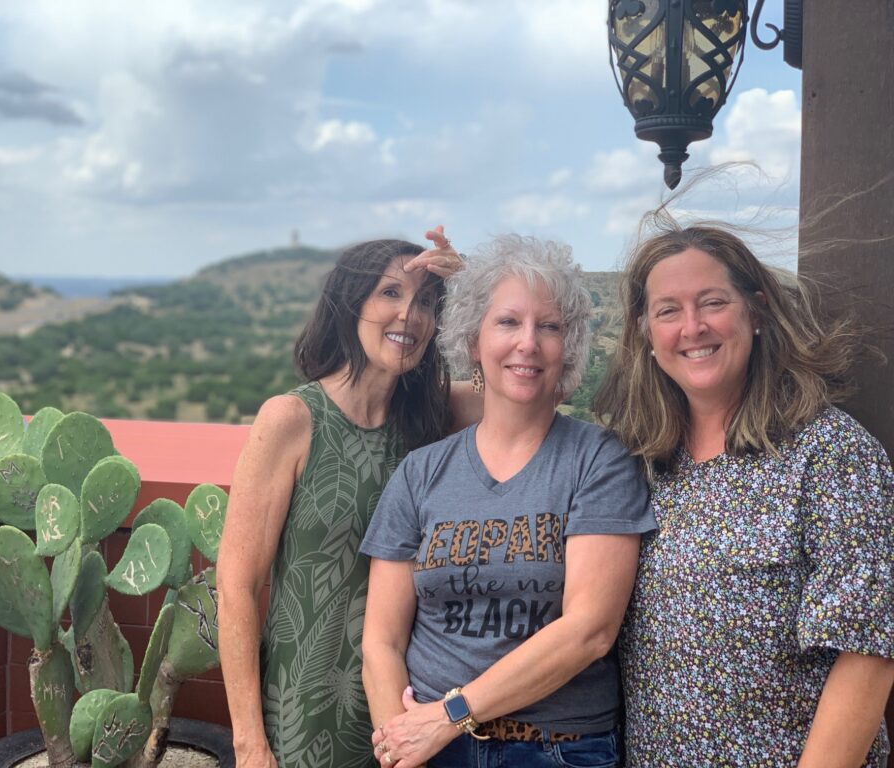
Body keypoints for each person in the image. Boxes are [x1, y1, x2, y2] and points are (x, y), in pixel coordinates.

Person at [594, 223, 894, 767]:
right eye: (667, 311)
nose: (692, 327)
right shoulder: (638, 461)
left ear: (755, 311)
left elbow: (868, 653)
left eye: (712, 302)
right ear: (644, 332)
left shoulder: (829, 453)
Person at [359, 234, 656, 768]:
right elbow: (380, 641)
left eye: (549, 327)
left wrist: (450, 715)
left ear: (568, 347)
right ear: (474, 341)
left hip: (555, 748)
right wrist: (399, 744)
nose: (528, 343)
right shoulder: (421, 473)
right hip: (428, 744)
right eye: (508, 322)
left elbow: (589, 631)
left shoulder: (599, 461)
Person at [217, 230, 466, 768]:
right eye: (391, 293)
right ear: (352, 304)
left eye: (426, 301)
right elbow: (236, 586)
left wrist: (469, 283)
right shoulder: (291, 419)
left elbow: (528, 380)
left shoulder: (431, 421)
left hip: (406, 708)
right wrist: (249, 743)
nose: (410, 316)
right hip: (304, 709)